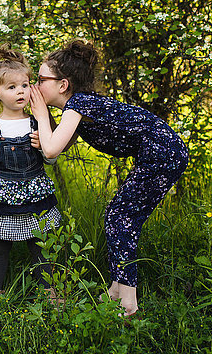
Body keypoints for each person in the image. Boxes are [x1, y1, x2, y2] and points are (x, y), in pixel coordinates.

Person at [29, 40, 188, 316]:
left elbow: (52, 147)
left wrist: (42, 116)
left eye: (41, 79)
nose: (36, 85)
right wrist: (45, 130)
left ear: (63, 85)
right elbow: (58, 145)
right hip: (164, 150)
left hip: (162, 151)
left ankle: (128, 302)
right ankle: (117, 288)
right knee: (121, 216)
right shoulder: (80, 106)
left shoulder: (78, 103)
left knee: (119, 216)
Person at [0, 44, 62, 312]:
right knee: (0, 249)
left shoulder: (37, 121)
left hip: (35, 196)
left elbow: (52, 159)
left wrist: (42, 147)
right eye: (11, 87)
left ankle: (48, 291)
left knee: (40, 246)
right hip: (2, 199)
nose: (20, 91)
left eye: (24, 84)